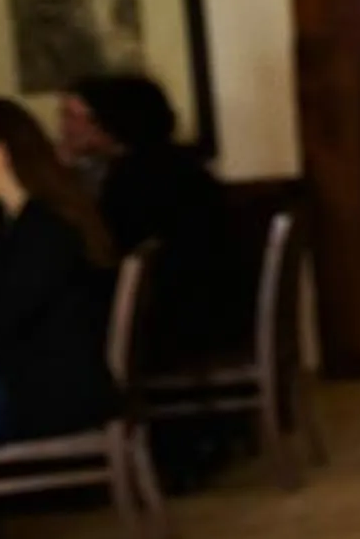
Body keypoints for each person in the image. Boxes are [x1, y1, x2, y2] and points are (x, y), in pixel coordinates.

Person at [62, 75, 242, 369]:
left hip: (172, 326)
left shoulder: (133, 181)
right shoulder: (181, 165)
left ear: (110, 123)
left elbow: (105, 255)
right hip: (212, 314)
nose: (65, 127)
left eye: (76, 117)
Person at [0, 99, 118, 452]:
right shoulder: (30, 222)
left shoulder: (45, 229)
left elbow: (0, 318)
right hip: (40, 382)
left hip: (49, 395)